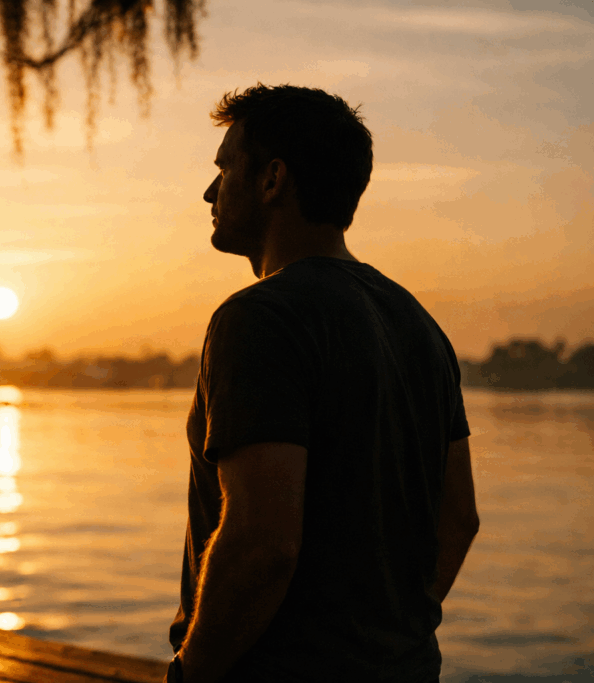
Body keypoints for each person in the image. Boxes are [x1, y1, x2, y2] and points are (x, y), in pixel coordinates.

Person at [164, 84, 481, 683]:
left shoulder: (258, 317)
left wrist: (191, 672)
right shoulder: (419, 325)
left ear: (272, 179)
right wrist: (385, 640)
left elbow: (263, 542)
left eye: (224, 168)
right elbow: (459, 517)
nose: (210, 191)